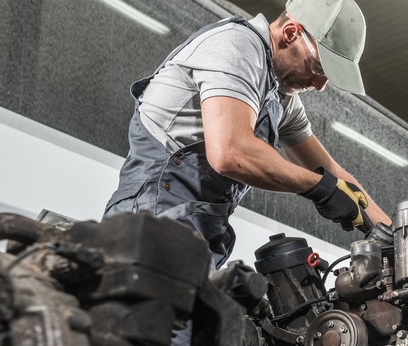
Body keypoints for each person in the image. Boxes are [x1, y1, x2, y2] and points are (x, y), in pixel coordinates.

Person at [104, 0, 391, 271]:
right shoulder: (236, 46)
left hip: (199, 230)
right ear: (290, 33)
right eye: (318, 68)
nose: (319, 85)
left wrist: (395, 239)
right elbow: (231, 152)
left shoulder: (280, 98)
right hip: (153, 216)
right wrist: (320, 188)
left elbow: (334, 174)